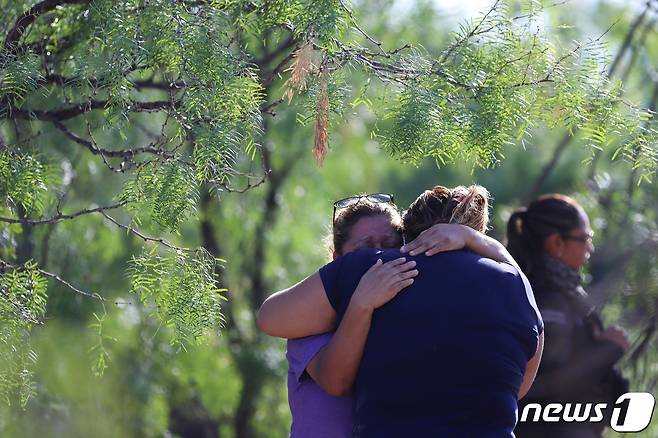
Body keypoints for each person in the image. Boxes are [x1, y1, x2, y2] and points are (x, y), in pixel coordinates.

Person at [258, 186, 544, 437]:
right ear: (335, 257)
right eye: (368, 250)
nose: (380, 257)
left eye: (389, 246)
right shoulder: (514, 288)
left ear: (408, 240)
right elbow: (518, 385)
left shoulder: (382, 276)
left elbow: (270, 318)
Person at [507, 194, 630, 438]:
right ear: (556, 243)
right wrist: (610, 348)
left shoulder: (562, 294)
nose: (590, 248)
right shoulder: (545, 300)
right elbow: (549, 382)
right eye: (585, 238)